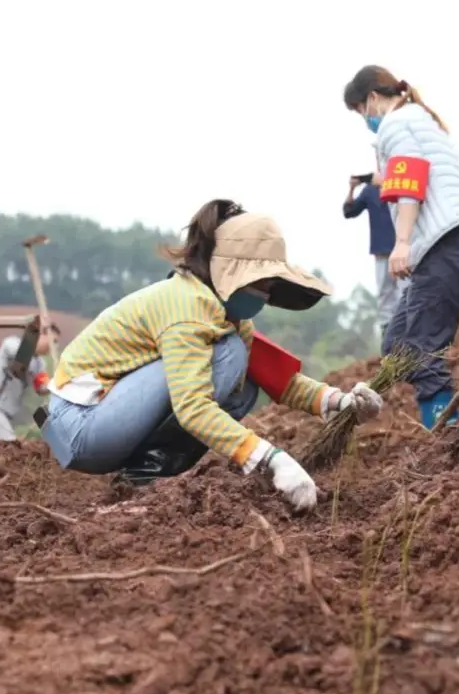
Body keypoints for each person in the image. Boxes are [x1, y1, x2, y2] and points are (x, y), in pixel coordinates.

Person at [38, 199, 384, 512]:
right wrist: (269, 458)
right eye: (261, 284)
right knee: (229, 356)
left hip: (108, 418)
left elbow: (279, 380)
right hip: (81, 425)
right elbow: (192, 406)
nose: (265, 295)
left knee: (243, 381)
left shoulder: (225, 316)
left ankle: (142, 478)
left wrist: (341, 402)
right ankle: (140, 481)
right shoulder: (187, 309)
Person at [343, 65, 459, 429]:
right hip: (450, 245)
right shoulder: (417, 120)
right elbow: (404, 174)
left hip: (441, 247)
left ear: (372, 98)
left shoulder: (395, 124)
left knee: (419, 350)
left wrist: (401, 242)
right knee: (397, 344)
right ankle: (446, 424)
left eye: (360, 111)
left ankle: (447, 433)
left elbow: (412, 179)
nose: (365, 119)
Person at [0, 320, 58, 441]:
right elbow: (21, 357)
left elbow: (41, 388)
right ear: (41, 335)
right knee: (11, 446)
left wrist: (57, 384)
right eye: (52, 341)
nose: (53, 346)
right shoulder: (12, 344)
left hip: (3, 416)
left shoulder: (40, 364)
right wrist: (34, 331)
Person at [342, 174, 401, 337]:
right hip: (382, 251)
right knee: (385, 294)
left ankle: (407, 333)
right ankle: (388, 336)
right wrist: (352, 188)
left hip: (403, 250)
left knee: (406, 293)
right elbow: (349, 211)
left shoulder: (399, 183)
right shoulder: (370, 191)